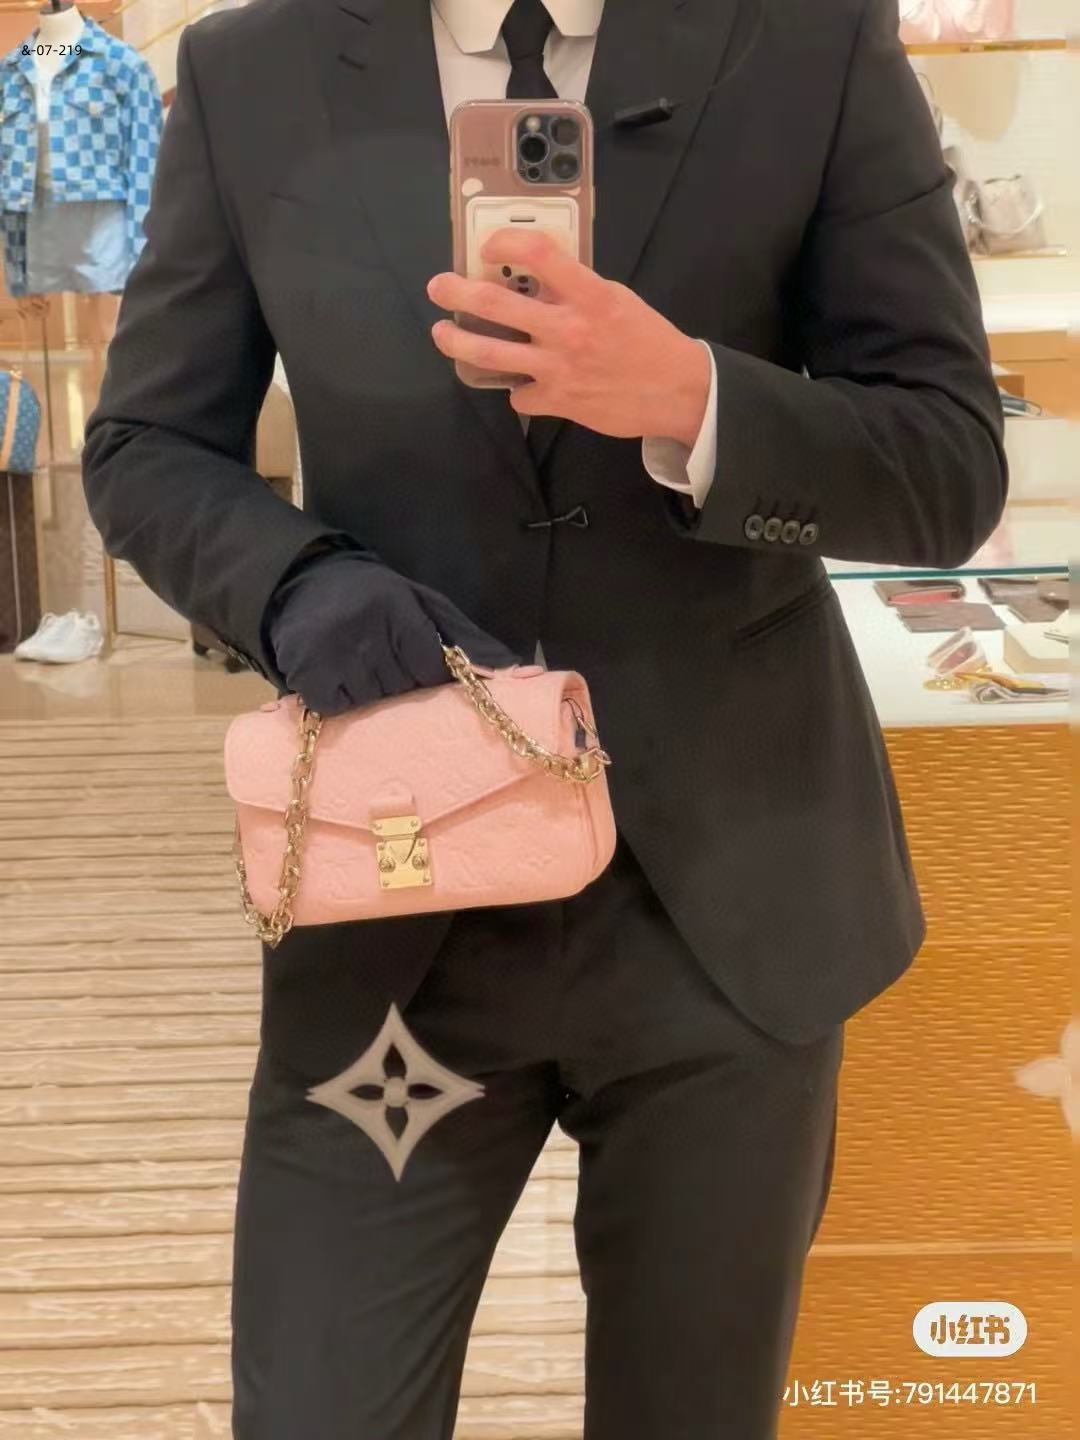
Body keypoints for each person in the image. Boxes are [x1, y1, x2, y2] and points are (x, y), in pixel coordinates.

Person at [81, 0, 1007, 1435]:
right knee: (325, 1410)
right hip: (399, 915)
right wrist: (294, 586)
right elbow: (146, 441)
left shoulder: (806, 40)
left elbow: (948, 464)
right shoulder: (250, 67)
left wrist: (692, 397)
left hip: (725, 924)